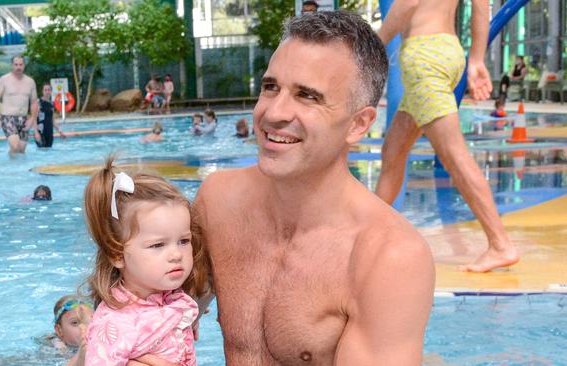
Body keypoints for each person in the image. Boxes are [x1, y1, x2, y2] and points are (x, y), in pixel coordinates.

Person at [193, 11, 433, 364]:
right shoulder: (219, 202)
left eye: (307, 96)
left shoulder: (388, 257)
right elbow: (149, 316)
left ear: (358, 123)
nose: (274, 113)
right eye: (270, 87)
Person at [376, 0, 519, 272]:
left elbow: (409, 2)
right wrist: (475, 59)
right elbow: (480, 5)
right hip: (447, 50)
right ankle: (372, 233)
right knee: (393, 151)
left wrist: (375, 43)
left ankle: (500, 244)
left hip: (424, 57)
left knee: (455, 156)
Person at [82, 160, 209, 365]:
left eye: (184, 241)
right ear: (117, 254)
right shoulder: (115, 324)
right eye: (158, 245)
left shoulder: (174, 301)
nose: (176, 254)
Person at [0, 55, 39, 155]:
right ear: (12, 65)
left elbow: (34, 102)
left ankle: (14, 167)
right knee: (15, 146)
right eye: (16, 64)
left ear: (24, 65)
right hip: (8, 118)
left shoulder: (30, 82)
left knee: (21, 150)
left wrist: (32, 118)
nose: (18, 67)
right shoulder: (4, 80)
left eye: (21, 64)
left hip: (24, 118)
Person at [49, 295, 94, 366]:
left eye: (90, 322)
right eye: (75, 323)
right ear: (59, 330)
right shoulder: (58, 349)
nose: (85, 328)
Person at [36, 83, 66, 148]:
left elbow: (53, 120)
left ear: (51, 91)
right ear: (42, 91)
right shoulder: (38, 102)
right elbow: (34, 118)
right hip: (40, 132)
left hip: (49, 132)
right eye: (45, 90)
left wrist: (60, 131)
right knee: (42, 152)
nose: (47, 92)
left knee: (48, 152)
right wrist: (36, 133)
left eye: (49, 90)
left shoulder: (52, 104)